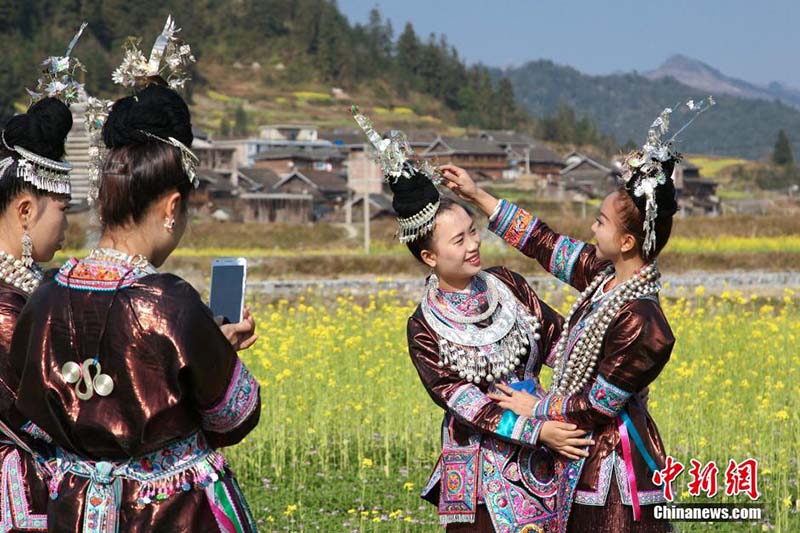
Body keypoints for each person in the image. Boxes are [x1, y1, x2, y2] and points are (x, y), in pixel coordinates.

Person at [440, 99, 714, 532]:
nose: (591, 228)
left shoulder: (643, 321)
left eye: (600, 222)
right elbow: (543, 243)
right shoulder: (602, 276)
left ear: (626, 242)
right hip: (579, 451)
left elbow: (602, 404)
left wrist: (538, 408)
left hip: (615, 471)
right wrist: (476, 195)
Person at [10, 80, 261, 532]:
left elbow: (35, 410)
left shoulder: (45, 295)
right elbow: (234, 415)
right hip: (167, 513)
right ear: (172, 206)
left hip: (75, 508)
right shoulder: (170, 302)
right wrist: (219, 351)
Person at [353, 106, 594, 532]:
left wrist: (602, 383)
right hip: (482, 467)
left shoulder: (509, 285)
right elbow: (466, 404)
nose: (472, 245)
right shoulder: (424, 328)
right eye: (458, 239)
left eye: (473, 231)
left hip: (543, 444)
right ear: (429, 257)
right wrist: (538, 431)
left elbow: (563, 345)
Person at [0, 25, 87, 531]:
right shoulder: (8, 307)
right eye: (63, 209)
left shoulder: (34, 288)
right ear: (28, 210)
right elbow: (64, 405)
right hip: (19, 494)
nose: (67, 224)